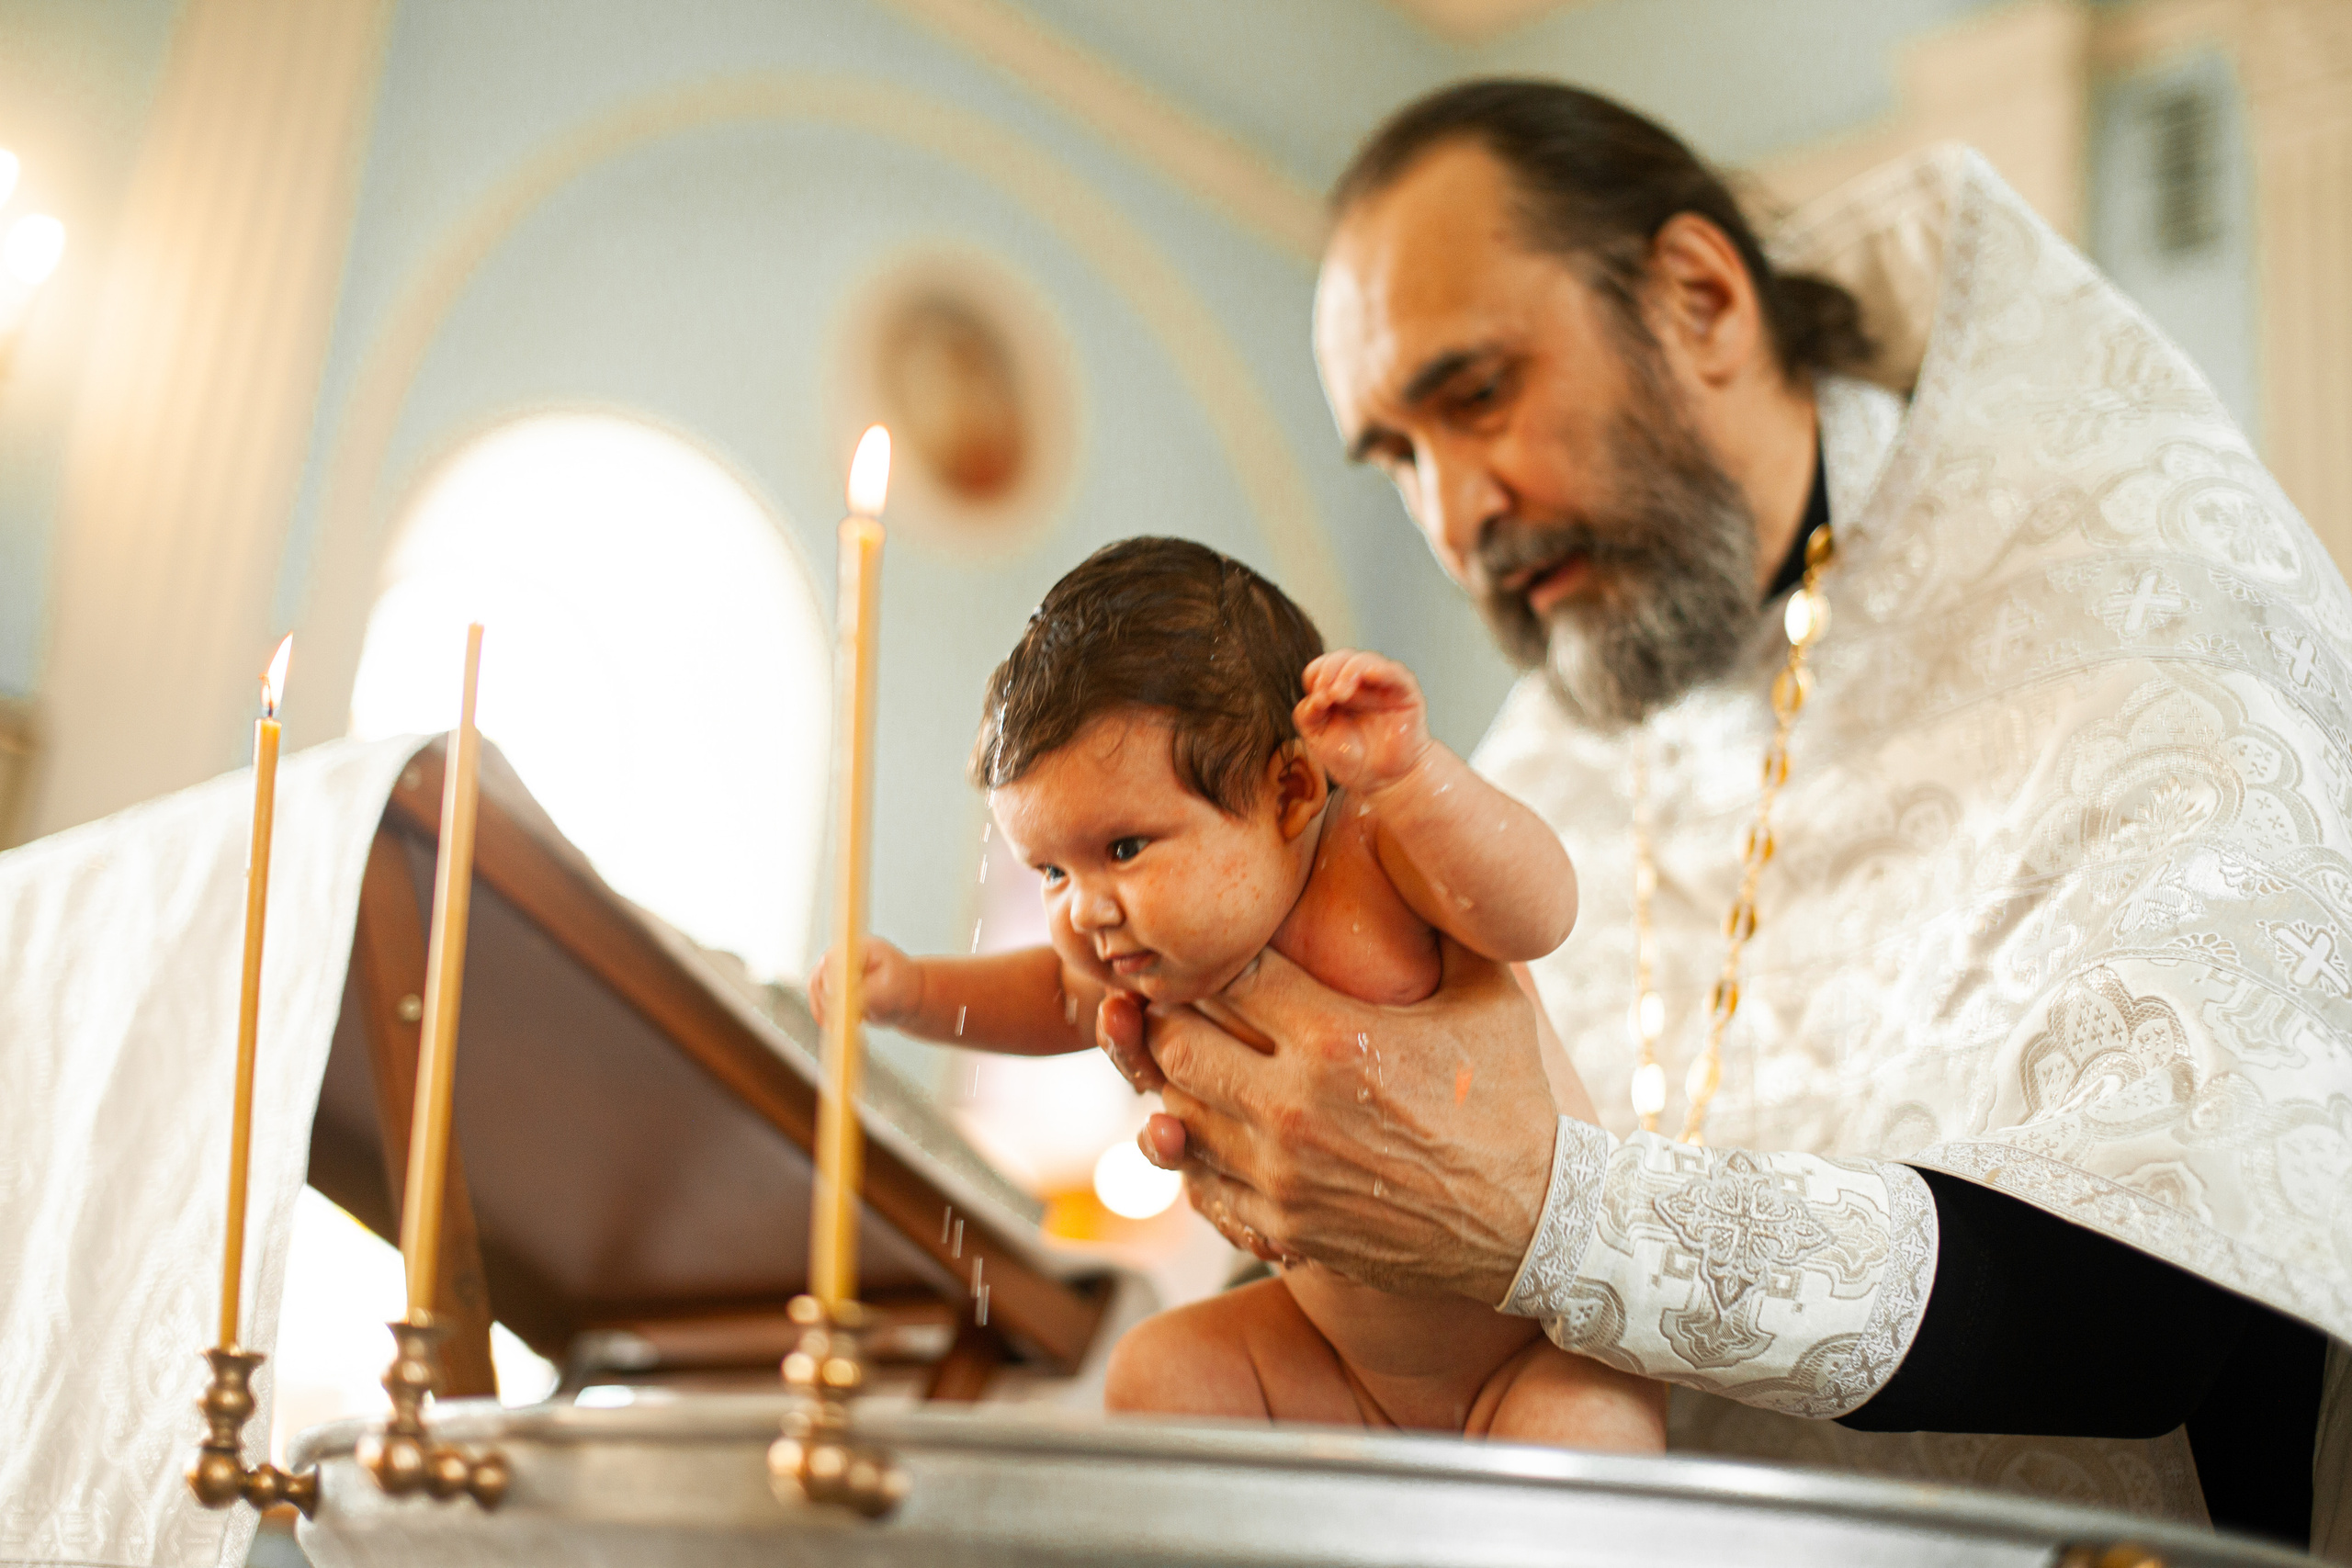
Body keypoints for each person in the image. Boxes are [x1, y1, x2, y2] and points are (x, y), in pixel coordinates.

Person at [1106, 81, 2351, 1552]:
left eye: (1479, 394)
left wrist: (1554, 1216)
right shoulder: (1553, 746)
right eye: (1398, 455)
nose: (1453, 515)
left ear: (1699, 297)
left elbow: (2161, 1297)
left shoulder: (2127, 598)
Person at [814, 536, 1665, 1449]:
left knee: (1582, 1445)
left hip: (1529, 1357)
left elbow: (1539, 912)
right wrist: (912, 992)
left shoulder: (1375, 852)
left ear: (1292, 789)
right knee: (1158, 1370)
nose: (1086, 910)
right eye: (1051, 873)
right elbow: (1053, 996)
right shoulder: (1160, 960)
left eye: (1125, 849)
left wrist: (1417, 778)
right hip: (1334, 1365)